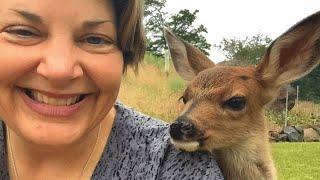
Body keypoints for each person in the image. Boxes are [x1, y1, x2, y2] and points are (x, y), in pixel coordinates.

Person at [0, 0, 223, 179]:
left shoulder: (176, 165)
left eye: (96, 39)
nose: (60, 70)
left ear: (124, 55)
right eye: (22, 32)